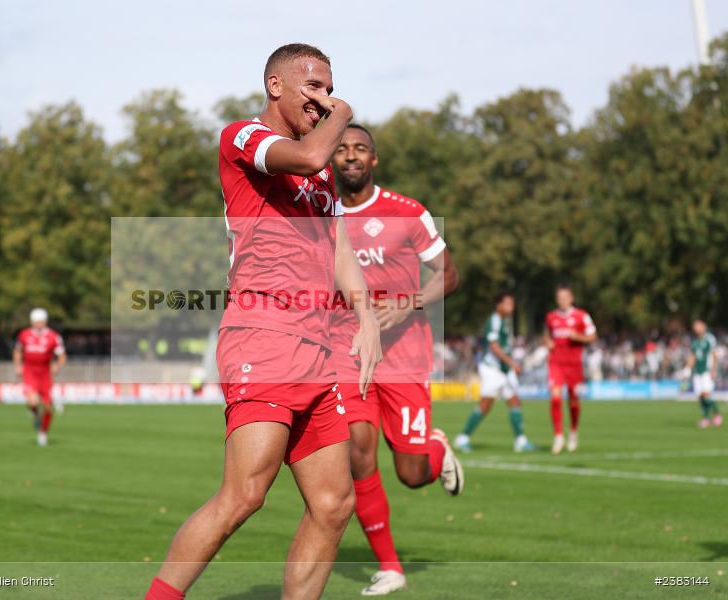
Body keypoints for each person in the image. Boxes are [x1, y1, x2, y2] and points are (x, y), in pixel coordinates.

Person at [146, 44, 382, 600]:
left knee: (333, 504)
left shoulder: (321, 177)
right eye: (314, 87)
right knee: (246, 494)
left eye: (330, 87)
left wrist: (367, 317)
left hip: (319, 347)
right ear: (275, 86)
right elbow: (307, 159)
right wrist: (344, 112)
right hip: (264, 335)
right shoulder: (244, 137)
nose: (323, 100)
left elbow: (339, 244)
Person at [329, 124, 463, 595]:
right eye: (341, 149)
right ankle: (391, 567)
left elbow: (448, 275)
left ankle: (437, 448)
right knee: (357, 456)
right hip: (348, 357)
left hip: (404, 356)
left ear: (374, 160)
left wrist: (408, 302)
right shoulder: (318, 216)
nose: (350, 156)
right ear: (331, 158)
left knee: (410, 474)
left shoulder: (407, 213)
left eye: (359, 149)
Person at [455, 291, 535, 454]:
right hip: (493, 370)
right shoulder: (495, 320)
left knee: (515, 402)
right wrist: (512, 363)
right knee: (486, 405)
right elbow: (493, 346)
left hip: (503, 370)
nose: (511, 307)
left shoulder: (504, 321)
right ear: (498, 305)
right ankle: (462, 438)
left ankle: (520, 441)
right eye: (508, 303)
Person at [543, 284, 597, 454]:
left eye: (565, 298)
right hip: (556, 363)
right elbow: (546, 334)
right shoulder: (551, 317)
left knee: (573, 401)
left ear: (571, 298)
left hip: (574, 365)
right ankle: (558, 436)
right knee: (556, 398)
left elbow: (593, 336)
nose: (562, 301)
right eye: (560, 298)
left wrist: (578, 337)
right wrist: (547, 342)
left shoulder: (582, 316)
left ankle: (573, 432)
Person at [13, 308, 66, 447]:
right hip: (29, 371)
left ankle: (43, 433)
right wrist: (17, 365)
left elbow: (62, 356)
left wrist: (58, 366)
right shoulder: (24, 335)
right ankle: (36, 415)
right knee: (32, 402)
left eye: (41, 321)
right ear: (32, 322)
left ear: (45, 321)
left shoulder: (53, 336)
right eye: (36, 322)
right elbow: (18, 351)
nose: (38, 324)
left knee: (48, 407)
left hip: (45, 373)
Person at [689, 319, 721, 428]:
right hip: (697, 372)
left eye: (698, 326)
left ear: (703, 326)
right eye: (694, 326)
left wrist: (714, 369)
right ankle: (706, 419)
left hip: (707, 371)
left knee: (706, 395)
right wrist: (687, 369)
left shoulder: (709, 339)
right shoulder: (695, 342)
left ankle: (717, 414)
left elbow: (714, 354)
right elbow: (693, 357)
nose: (696, 328)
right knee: (700, 397)